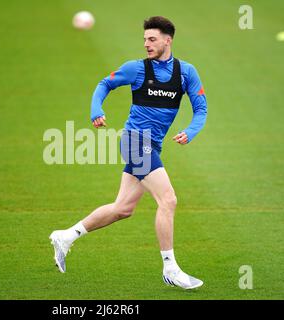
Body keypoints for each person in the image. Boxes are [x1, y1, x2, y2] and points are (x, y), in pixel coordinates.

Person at [50, 16, 207, 289]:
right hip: (135, 142)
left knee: (123, 209)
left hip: (151, 146)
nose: (146, 44)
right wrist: (96, 110)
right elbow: (104, 84)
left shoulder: (186, 73)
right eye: (145, 39)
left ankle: (66, 236)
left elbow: (201, 109)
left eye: (152, 39)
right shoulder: (135, 69)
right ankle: (170, 268)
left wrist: (190, 132)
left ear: (167, 40)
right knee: (168, 200)